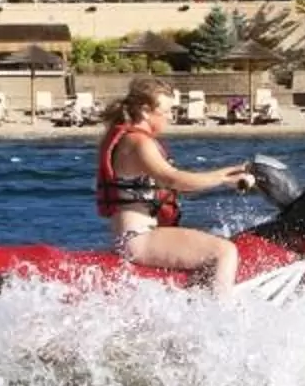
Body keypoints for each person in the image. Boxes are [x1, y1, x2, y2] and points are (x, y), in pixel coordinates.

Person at [96, 76, 255, 297]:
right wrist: (222, 178)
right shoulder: (138, 143)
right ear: (144, 111)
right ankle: (221, 322)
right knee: (224, 252)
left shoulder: (127, 139)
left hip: (133, 237)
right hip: (138, 239)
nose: (171, 117)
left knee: (208, 246)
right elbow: (172, 179)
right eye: (167, 111)